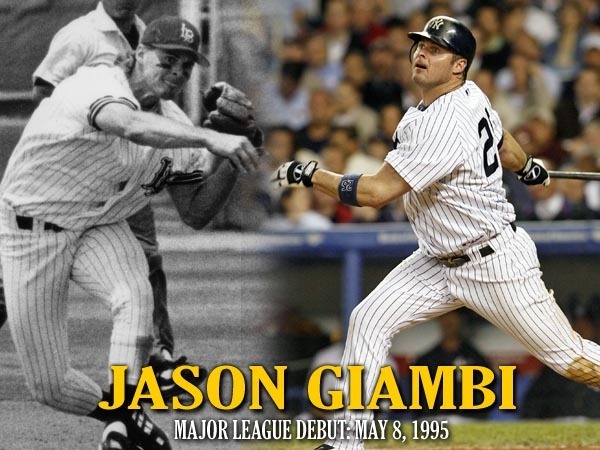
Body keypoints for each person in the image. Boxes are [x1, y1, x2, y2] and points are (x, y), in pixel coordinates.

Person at [272, 16, 600, 450]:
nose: (421, 54)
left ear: (459, 65)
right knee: (368, 319)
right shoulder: (468, 95)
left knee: (571, 359)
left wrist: (312, 174)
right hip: (439, 258)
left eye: (435, 49)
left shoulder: (442, 123)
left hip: (493, 264)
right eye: (420, 45)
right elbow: (502, 142)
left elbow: (374, 192)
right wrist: (526, 165)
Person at [0, 16, 259, 450]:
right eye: (168, 60)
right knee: (50, 385)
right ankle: (124, 416)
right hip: (31, 230)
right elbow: (129, 125)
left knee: (135, 296)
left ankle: (126, 418)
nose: (177, 73)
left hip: (98, 225)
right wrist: (211, 138)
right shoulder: (96, 82)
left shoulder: (176, 125)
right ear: (139, 53)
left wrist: (240, 149)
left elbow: (195, 212)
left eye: (187, 65)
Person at [30, 0, 204, 395]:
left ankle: (157, 357)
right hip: (70, 171)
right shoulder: (82, 35)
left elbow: (195, 203)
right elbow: (44, 91)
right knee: (18, 274)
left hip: (127, 169)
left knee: (146, 261)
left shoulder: (150, 35)